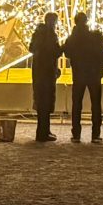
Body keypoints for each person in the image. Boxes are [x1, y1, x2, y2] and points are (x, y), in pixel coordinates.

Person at [63, 11, 103, 143]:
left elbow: (67, 53)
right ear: (86, 21)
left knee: (77, 104)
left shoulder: (73, 38)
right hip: (94, 74)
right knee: (96, 104)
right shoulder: (95, 36)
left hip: (79, 74)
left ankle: (76, 134)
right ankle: (95, 135)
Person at [28, 11, 62, 142]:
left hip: (39, 72)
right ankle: (43, 133)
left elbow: (32, 48)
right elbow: (54, 52)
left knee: (41, 102)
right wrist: (61, 49)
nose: (55, 24)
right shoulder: (50, 35)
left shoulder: (37, 34)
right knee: (45, 103)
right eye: (55, 21)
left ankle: (43, 131)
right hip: (47, 73)